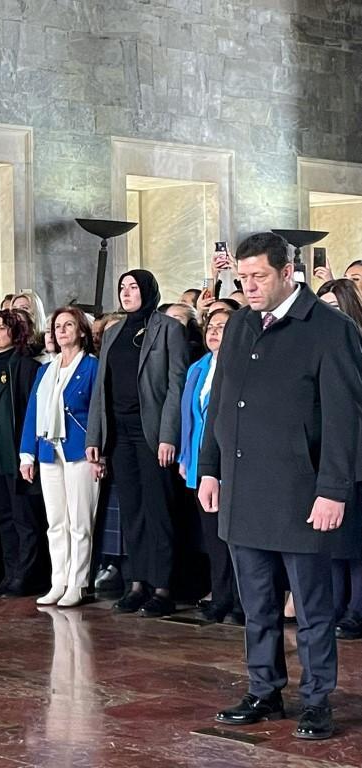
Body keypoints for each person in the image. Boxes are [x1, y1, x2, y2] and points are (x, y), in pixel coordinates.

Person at [200, 232, 362, 741]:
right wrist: (210, 468)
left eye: (258, 277)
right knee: (258, 605)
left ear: (287, 272)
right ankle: (264, 690)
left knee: (313, 611)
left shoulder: (330, 329)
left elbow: (345, 416)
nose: (248, 286)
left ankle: (317, 700)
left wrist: (334, 489)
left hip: (302, 495)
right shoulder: (243, 323)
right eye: (242, 277)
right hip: (244, 489)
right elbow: (220, 404)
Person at [86, 270, 189, 618]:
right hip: (119, 432)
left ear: (148, 291)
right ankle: (137, 583)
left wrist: (168, 435)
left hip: (152, 431)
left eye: (133, 287)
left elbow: (177, 387)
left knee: (158, 510)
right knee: (131, 510)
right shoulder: (114, 332)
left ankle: (162, 587)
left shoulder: (169, 329)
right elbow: (101, 388)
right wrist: (95, 437)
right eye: (122, 288)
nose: (127, 293)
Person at [19, 307, 100, 608]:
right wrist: (27, 454)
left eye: (68, 325)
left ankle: (78, 583)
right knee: (55, 521)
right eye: (56, 326)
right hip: (48, 451)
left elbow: (97, 412)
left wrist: (97, 449)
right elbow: (33, 413)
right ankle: (58, 581)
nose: (61, 330)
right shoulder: (45, 369)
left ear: (81, 331)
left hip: (80, 451)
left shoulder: (92, 366)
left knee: (80, 521)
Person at [178, 306, 242, 625]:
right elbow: (188, 416)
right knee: (213, 536)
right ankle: (221, 595)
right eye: (211, 325)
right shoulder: (199, 367)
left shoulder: (240, 366)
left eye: (223, 325)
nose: (214, 331)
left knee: (236, 536)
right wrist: (185, 458)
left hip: (233, 463)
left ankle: (241, 601)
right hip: (201, 463)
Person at [0, 310, 41, 596]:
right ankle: (10, 571)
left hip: (15, 453)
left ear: (16, 333)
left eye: (2, 329)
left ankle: (26, 576)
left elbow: (30, 412)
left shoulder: (25, 366)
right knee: (3, 517)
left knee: (23, 518)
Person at [315, 279, 362, 642]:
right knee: (330, 540)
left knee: (356, 542)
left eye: (334, 304)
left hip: (357, 455)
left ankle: (356, 611)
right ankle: (333, 607)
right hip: (323, 457)